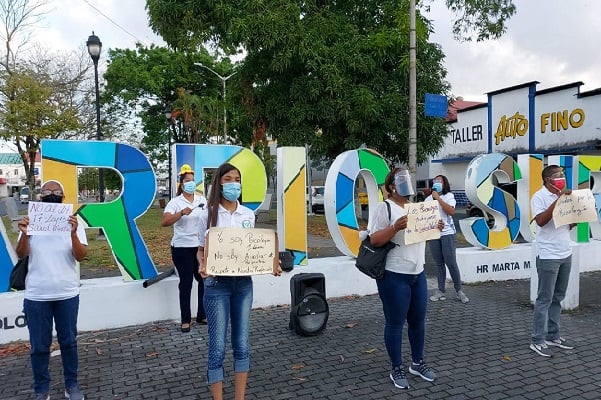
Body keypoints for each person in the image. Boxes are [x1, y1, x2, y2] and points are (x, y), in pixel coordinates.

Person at [197, 163, 282, 400]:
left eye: (237, 179)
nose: (233, 183)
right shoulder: (207, 213)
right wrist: (202, 264)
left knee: (242, 344)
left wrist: (270, 263)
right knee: (217, 348)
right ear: (219, 183)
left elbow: (252, 249)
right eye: (228, 179)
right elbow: (200, 250)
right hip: (216, 286)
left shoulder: (247, 214)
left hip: (243, 285)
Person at [368, 168, 441, 389]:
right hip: (394, 275)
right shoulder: (385, 208)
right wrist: (394, 227)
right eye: (402, 180)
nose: (408, 183)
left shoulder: (417, 209)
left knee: (418, 321)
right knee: (395, 323)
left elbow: (422, 237)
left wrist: (435, 227)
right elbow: (374, 240)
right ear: (392, 186)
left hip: (417, 274)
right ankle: (396, 366)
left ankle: (417, 363)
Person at [17, 180, 88, 400]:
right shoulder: (31, 223)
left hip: (66, 293)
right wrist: (25, 234)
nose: (52, 194)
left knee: (69, 342)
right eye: (47, 191)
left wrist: (73, 234)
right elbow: (21, 254)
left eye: (57, 192)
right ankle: (41, 389)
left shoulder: (74, 223)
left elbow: (81, 256)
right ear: (40, 196)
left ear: (63, 197)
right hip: (37, 294)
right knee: (39, 346)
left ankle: (72, 386)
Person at [529, 165, 575, 357]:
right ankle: (537, 340)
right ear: (547, 180)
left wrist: (577, 216)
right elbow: (540, 221)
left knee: (558, 297)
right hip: (548, 255)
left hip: (565, 252)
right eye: (558, 176)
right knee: (544, 299)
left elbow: (568, 224)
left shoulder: (566, 196)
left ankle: (553, 335)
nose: (561, 179)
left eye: (563, 175)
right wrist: (558, 201)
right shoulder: (539, 197)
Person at [161, 164, 207, 333]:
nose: (191, 183)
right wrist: (180, 213)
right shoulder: (175, 202)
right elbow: (164, 222)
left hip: (199, 247)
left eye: (193, 181)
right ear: (181, 184)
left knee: (203, 279)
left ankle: (202, 315)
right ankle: (185, 320)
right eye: (187, 181)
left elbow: (209, 217)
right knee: (186, 282)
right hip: (181, 248)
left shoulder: (201, 199)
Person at [426, 175, 469, 303]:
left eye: (440, 181)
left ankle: (459, 291)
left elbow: (451, 211)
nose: (437, 182)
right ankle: (441, 291)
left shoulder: (449, 196)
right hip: (434, 234)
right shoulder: (428, 199)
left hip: (447, 234)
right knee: (439, 264)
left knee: (451, 262)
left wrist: (438, 198)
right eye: (435, 181)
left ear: (444, 184)